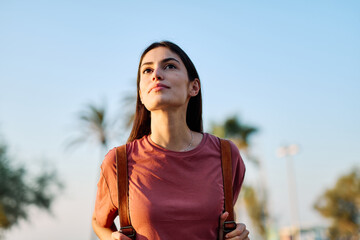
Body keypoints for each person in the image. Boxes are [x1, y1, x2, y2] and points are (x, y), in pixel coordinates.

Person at [92, 41, 250, 240]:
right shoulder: (118, 162)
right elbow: (99, 223)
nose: (156, 74)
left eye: (169, 66)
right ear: (141, 94)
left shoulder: (226, 155)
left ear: (194, 87)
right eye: (147, 70)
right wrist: (110, 239)